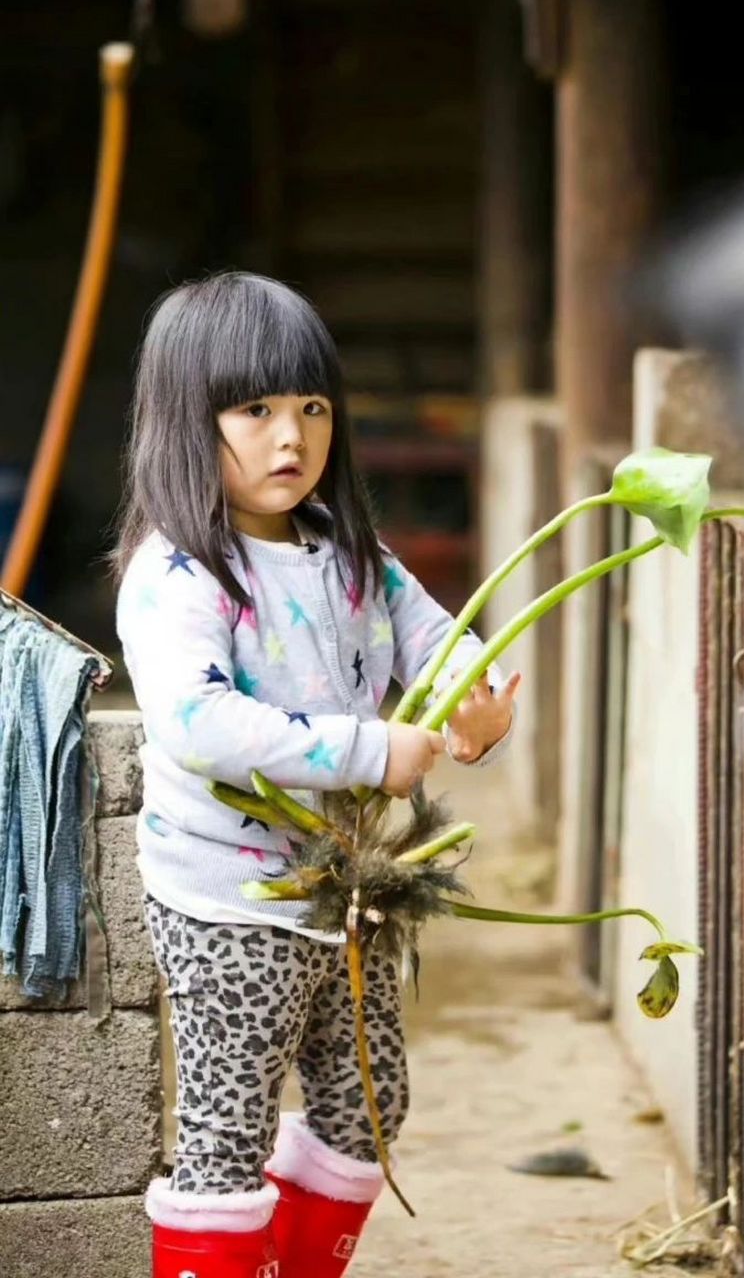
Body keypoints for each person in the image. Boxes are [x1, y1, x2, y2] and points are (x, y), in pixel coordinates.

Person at [112, 271, 519, 1278]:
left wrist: (475, 699)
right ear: (185, 419)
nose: (290, 437)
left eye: (312, 407)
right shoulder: (176, 577)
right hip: (226, 898)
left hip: (338, 891)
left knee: (365, 1105)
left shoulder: (351, 553)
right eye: (253, 410)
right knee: (228, 1129)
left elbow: (438, 642)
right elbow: (198, 722)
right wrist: (374, 750)